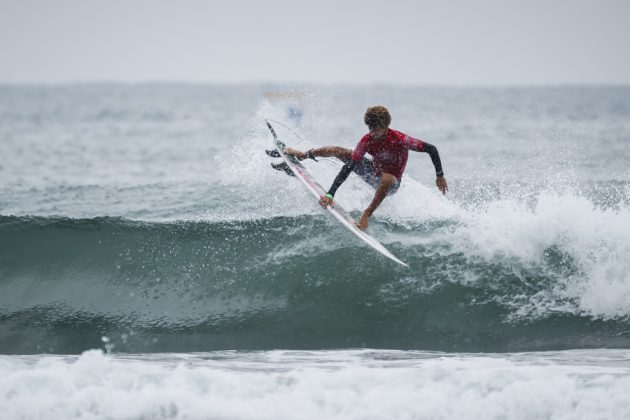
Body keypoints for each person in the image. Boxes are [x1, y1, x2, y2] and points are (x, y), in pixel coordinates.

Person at [285, 105, 448, 230]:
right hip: (371, 173)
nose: (372, 133)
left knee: (387, 177)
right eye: (369, 129)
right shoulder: (367, 140)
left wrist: (439, 175)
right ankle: (302, 155)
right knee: (338, 151)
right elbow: (349, 167)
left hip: (392, 184)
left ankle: (367, 213)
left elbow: (431, 149)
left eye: (375, 130)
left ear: (386, 126)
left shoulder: (401, 139)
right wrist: (330, 194)